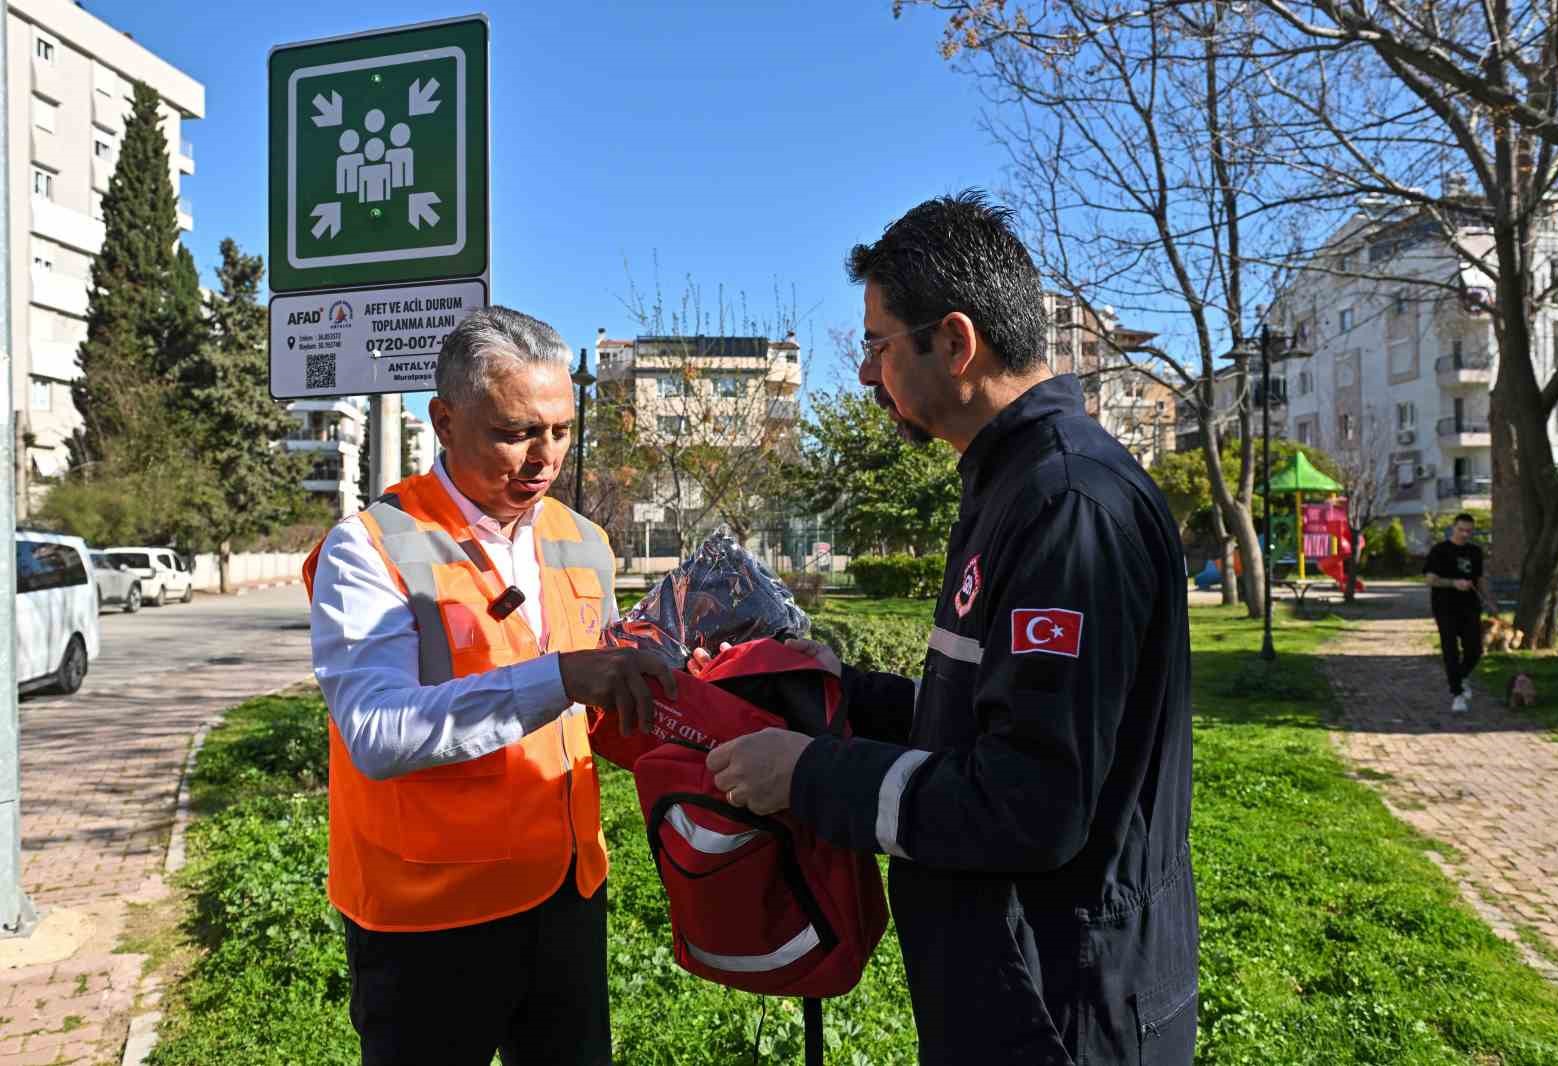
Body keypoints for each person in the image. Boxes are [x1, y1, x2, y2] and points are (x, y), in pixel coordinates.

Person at [705, 192, 1197, 1065]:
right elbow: (989, 721)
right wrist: (835, 689)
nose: (864, 374)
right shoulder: (1013, 483)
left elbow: (1032, 804)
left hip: (1061, 1008)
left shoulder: (1068, 503)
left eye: (877, 345)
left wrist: (813, 776)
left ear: (957, 342)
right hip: (1008, 986)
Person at [304, 306, 673, 1066]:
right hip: (426, 923)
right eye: (515, 432)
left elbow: (597, 715)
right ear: (444, 419)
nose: (545, 458)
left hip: (566, 898)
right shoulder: (370, 546)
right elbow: (376, 734)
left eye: (562, 430)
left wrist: (697, 699)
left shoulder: (583, 540)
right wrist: (563, 677)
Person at [1422, 512, 1493, 712]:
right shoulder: (1440, 550)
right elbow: (1430, 579)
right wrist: (1454, 583)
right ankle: (1457, 694)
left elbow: (1479, 579)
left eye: (1468, 531)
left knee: (1475, 650)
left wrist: (1489, 600)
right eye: (1461, 530)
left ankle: (1461, 678)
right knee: (1450, 651)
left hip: (1470, 607)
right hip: (1445, 607)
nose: (1464, 534)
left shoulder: (1475, 552)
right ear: (1453, 528)